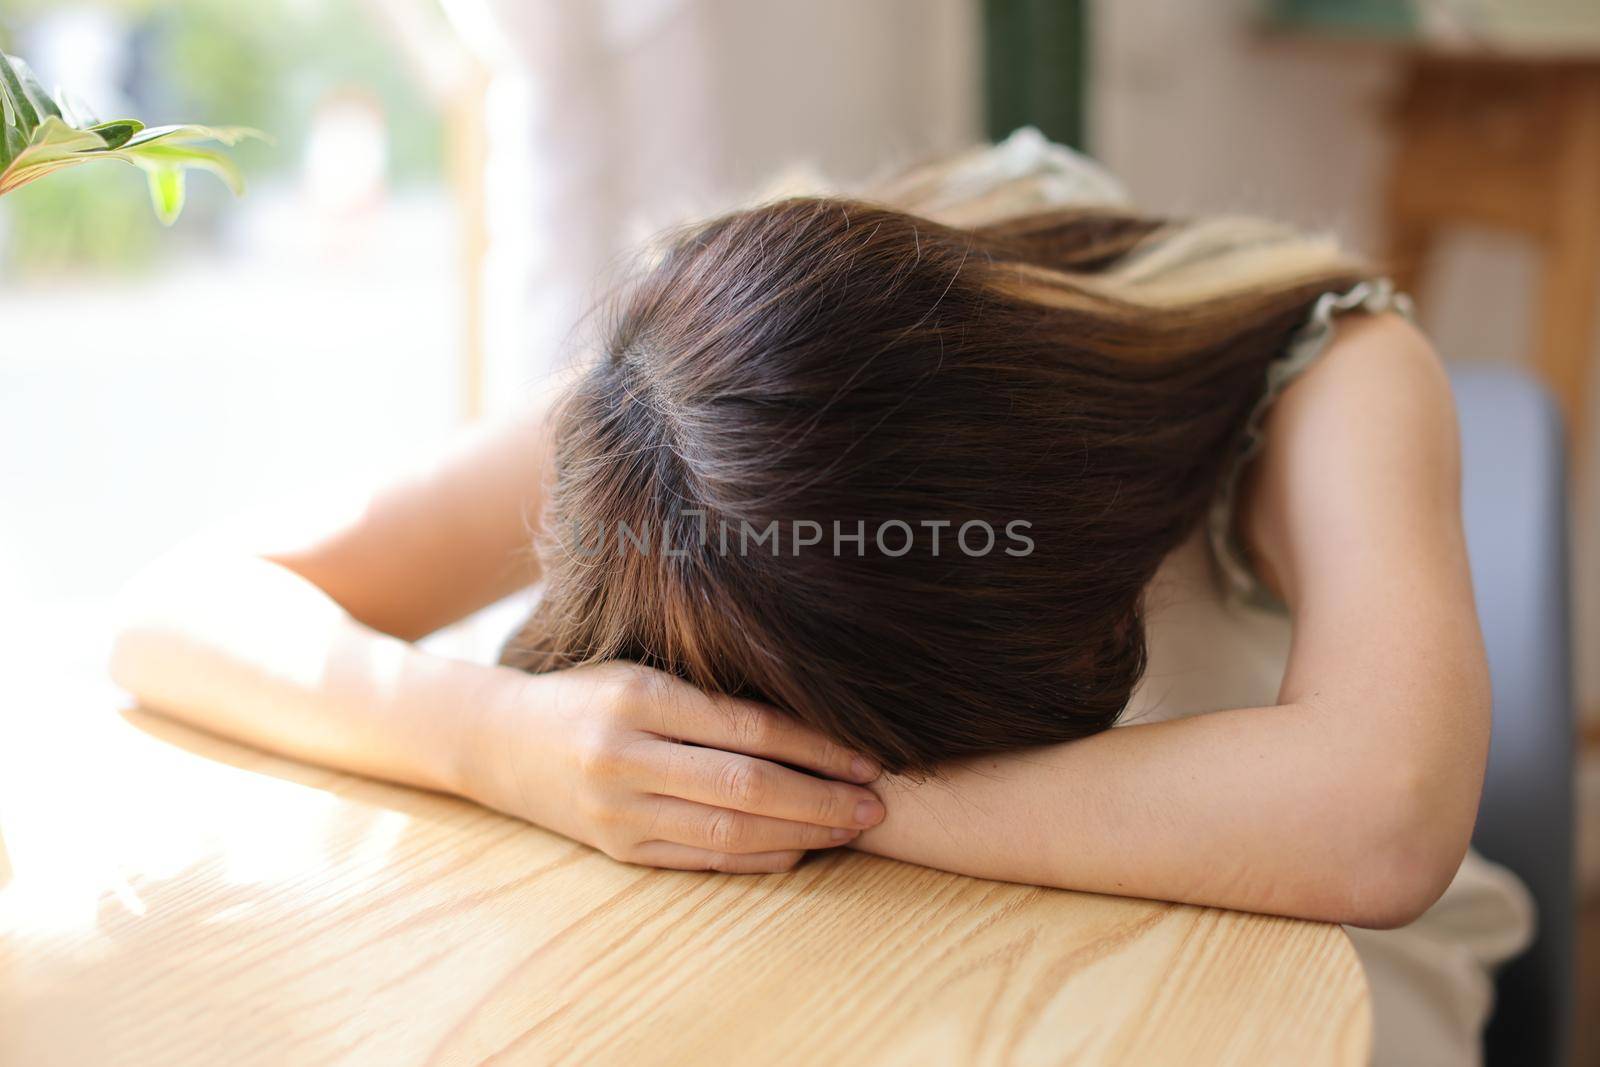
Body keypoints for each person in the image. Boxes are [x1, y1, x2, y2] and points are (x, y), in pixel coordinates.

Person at [109, 130, 1532, 1065]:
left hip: (1280, 984)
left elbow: (1383, 816)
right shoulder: (700, 393)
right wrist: (498, 738)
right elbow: (173, 613)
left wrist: (789, 800)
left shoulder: (1325, 372)